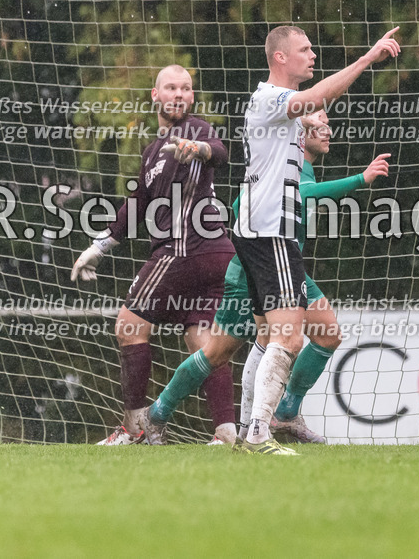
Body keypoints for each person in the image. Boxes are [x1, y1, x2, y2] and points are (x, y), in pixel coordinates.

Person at [141, 111, 390, 447]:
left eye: (328, 123)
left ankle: (283, 413)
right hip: (252, 272)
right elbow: (296, 195)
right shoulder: (282, 164)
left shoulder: (298, 166)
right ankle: (158, 414)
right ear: (299, 131)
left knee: (326, 334)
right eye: (319, 122)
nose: (327, 129)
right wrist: (361, 179)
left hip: (286, 267)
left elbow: (243, 203)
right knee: (218, 352)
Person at [229, 24, 400, 454]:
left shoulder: (276, 105)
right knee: (288, 338)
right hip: (271, 230)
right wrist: (366, 59)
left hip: (260, 230)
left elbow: (313, 105)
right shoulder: (271, 98)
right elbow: (317, 97)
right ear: (280, 57)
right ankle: (259, 433)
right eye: (304, 49)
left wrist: (313, 117)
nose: (312, 55)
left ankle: (249, 430)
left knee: (269, 336)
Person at [71, 64, 237, 445]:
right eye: (171, 88)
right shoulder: (151, 153)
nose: (179, 94)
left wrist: (199, 150)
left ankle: (136, 430)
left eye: (186, 88)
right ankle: (226, 433)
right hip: (213, 255)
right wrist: (98, 247)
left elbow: (219, 153)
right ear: (155, 95)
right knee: (204, 344)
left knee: (129, 326)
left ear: (192, 97)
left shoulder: (195, 129)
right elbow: (137, 205)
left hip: (185, 248)